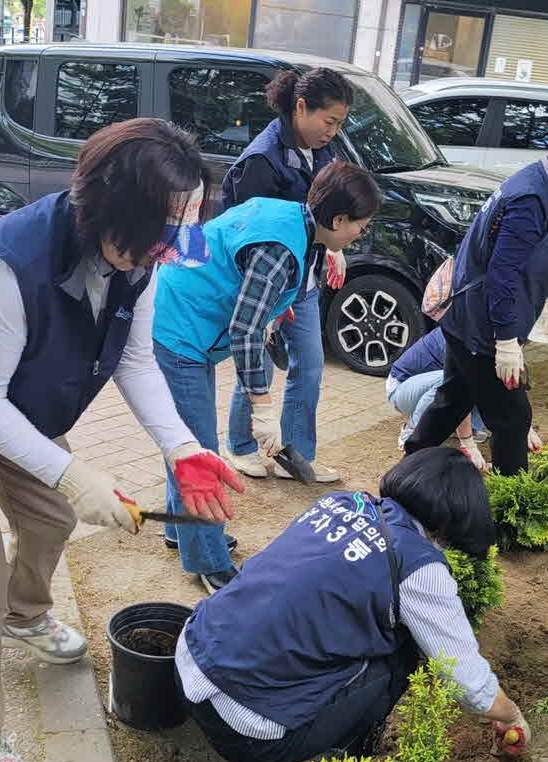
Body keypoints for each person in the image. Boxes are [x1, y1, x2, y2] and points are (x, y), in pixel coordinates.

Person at [0, 118, 243, 762]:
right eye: (158, 231)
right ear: (111, 212)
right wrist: (73, 472)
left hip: (23, 412)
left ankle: (24, 614)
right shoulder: (2, 264)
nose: (165, 249)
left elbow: (132, 357)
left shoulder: (138, 260)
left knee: (51, 519)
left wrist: (183, 449)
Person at [175, 447, 532, 762]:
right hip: (247, 731)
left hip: (190, 661)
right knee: (401, 653)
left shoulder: (341, 503)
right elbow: (468, 682)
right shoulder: (416, 567)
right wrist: (510, 717)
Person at [153, 160, 382, 594]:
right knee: (198, 447)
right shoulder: (280, 250)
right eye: (360, 226)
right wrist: (262, 407)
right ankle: (208, 560)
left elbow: (256, 286)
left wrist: (281, 303)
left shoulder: (295, 219)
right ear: (337, 219)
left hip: (191, 315)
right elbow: (244, 330)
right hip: (180, 327)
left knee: (186, 436)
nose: (359, 235)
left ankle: (180, 528)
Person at [404, 134, 548, 474]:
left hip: (470, 320)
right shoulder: (531, 199)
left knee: (453, 402)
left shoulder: (540, 183)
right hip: (482, 329)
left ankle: (404, 473)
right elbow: (503, 273)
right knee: (512, 419)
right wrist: (506, 341)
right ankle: (511, 502)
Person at [220, 68, 354, 483]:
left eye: (340, 124)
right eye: (329, 121)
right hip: (264, 280)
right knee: (258, 358)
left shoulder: (322, 151)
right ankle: (242, 446)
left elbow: (325, 212)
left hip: (304, 277)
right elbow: (250, 232)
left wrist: (334, 249)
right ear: (300, 108)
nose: (333, 132)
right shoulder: (261, 161)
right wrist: (270, 306)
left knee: (310, 366)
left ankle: (295, 455)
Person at [388, 326, 543, 468]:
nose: (526, 343)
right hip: (401, 387)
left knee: (484, 385)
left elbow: (507, 384)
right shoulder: (462, 336)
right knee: (455, 382)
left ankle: (455, 430)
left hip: (442, 384)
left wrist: (524, 428)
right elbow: (456, 390)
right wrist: (468, 444)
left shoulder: (491, 338)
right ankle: (411, 431)